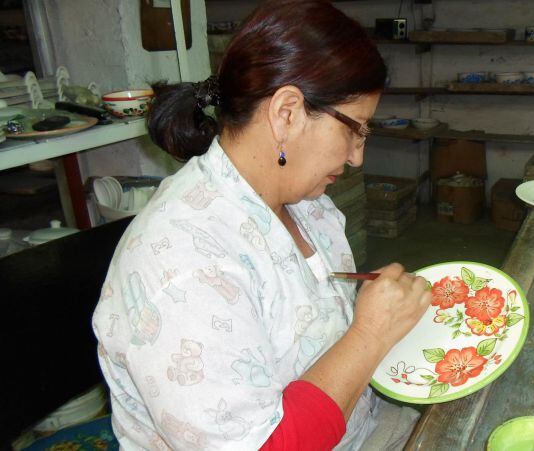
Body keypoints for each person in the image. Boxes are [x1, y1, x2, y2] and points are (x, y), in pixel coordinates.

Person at [91, 1, 432, 449]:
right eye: (355, 129)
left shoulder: (304, 203)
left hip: (358, 426)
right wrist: (371, 333)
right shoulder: (183, 265)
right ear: (287, 112)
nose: (356, 156)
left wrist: (378, 317)